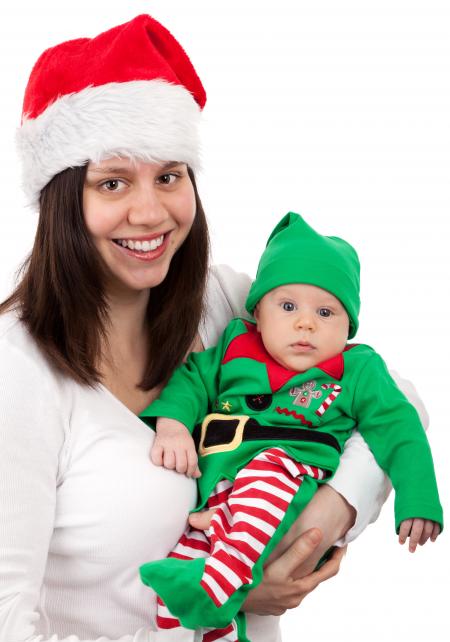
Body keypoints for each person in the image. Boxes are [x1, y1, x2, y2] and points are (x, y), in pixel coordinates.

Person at [0, 13, 430, 642]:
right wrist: (221, 601)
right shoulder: (18, 372)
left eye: (169, 176)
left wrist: (321, 518)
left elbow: (396, 396)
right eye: (113, 182)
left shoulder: (224, 305)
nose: (150, 212)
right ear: (65, 200)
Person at [140, 212, 442, 641]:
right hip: (221, 486)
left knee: (266, 475)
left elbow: (400, 424)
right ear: (258, 313)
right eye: (287, 307)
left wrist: (419, 499)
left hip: (289, 474)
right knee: (190, 549)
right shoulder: (233, 346)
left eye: (326, 312)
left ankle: (213, 591)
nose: (306, 323)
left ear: (349, 326)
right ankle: (200, 622)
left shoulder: (354, 368)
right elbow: (190, 381)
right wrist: (171, 426)